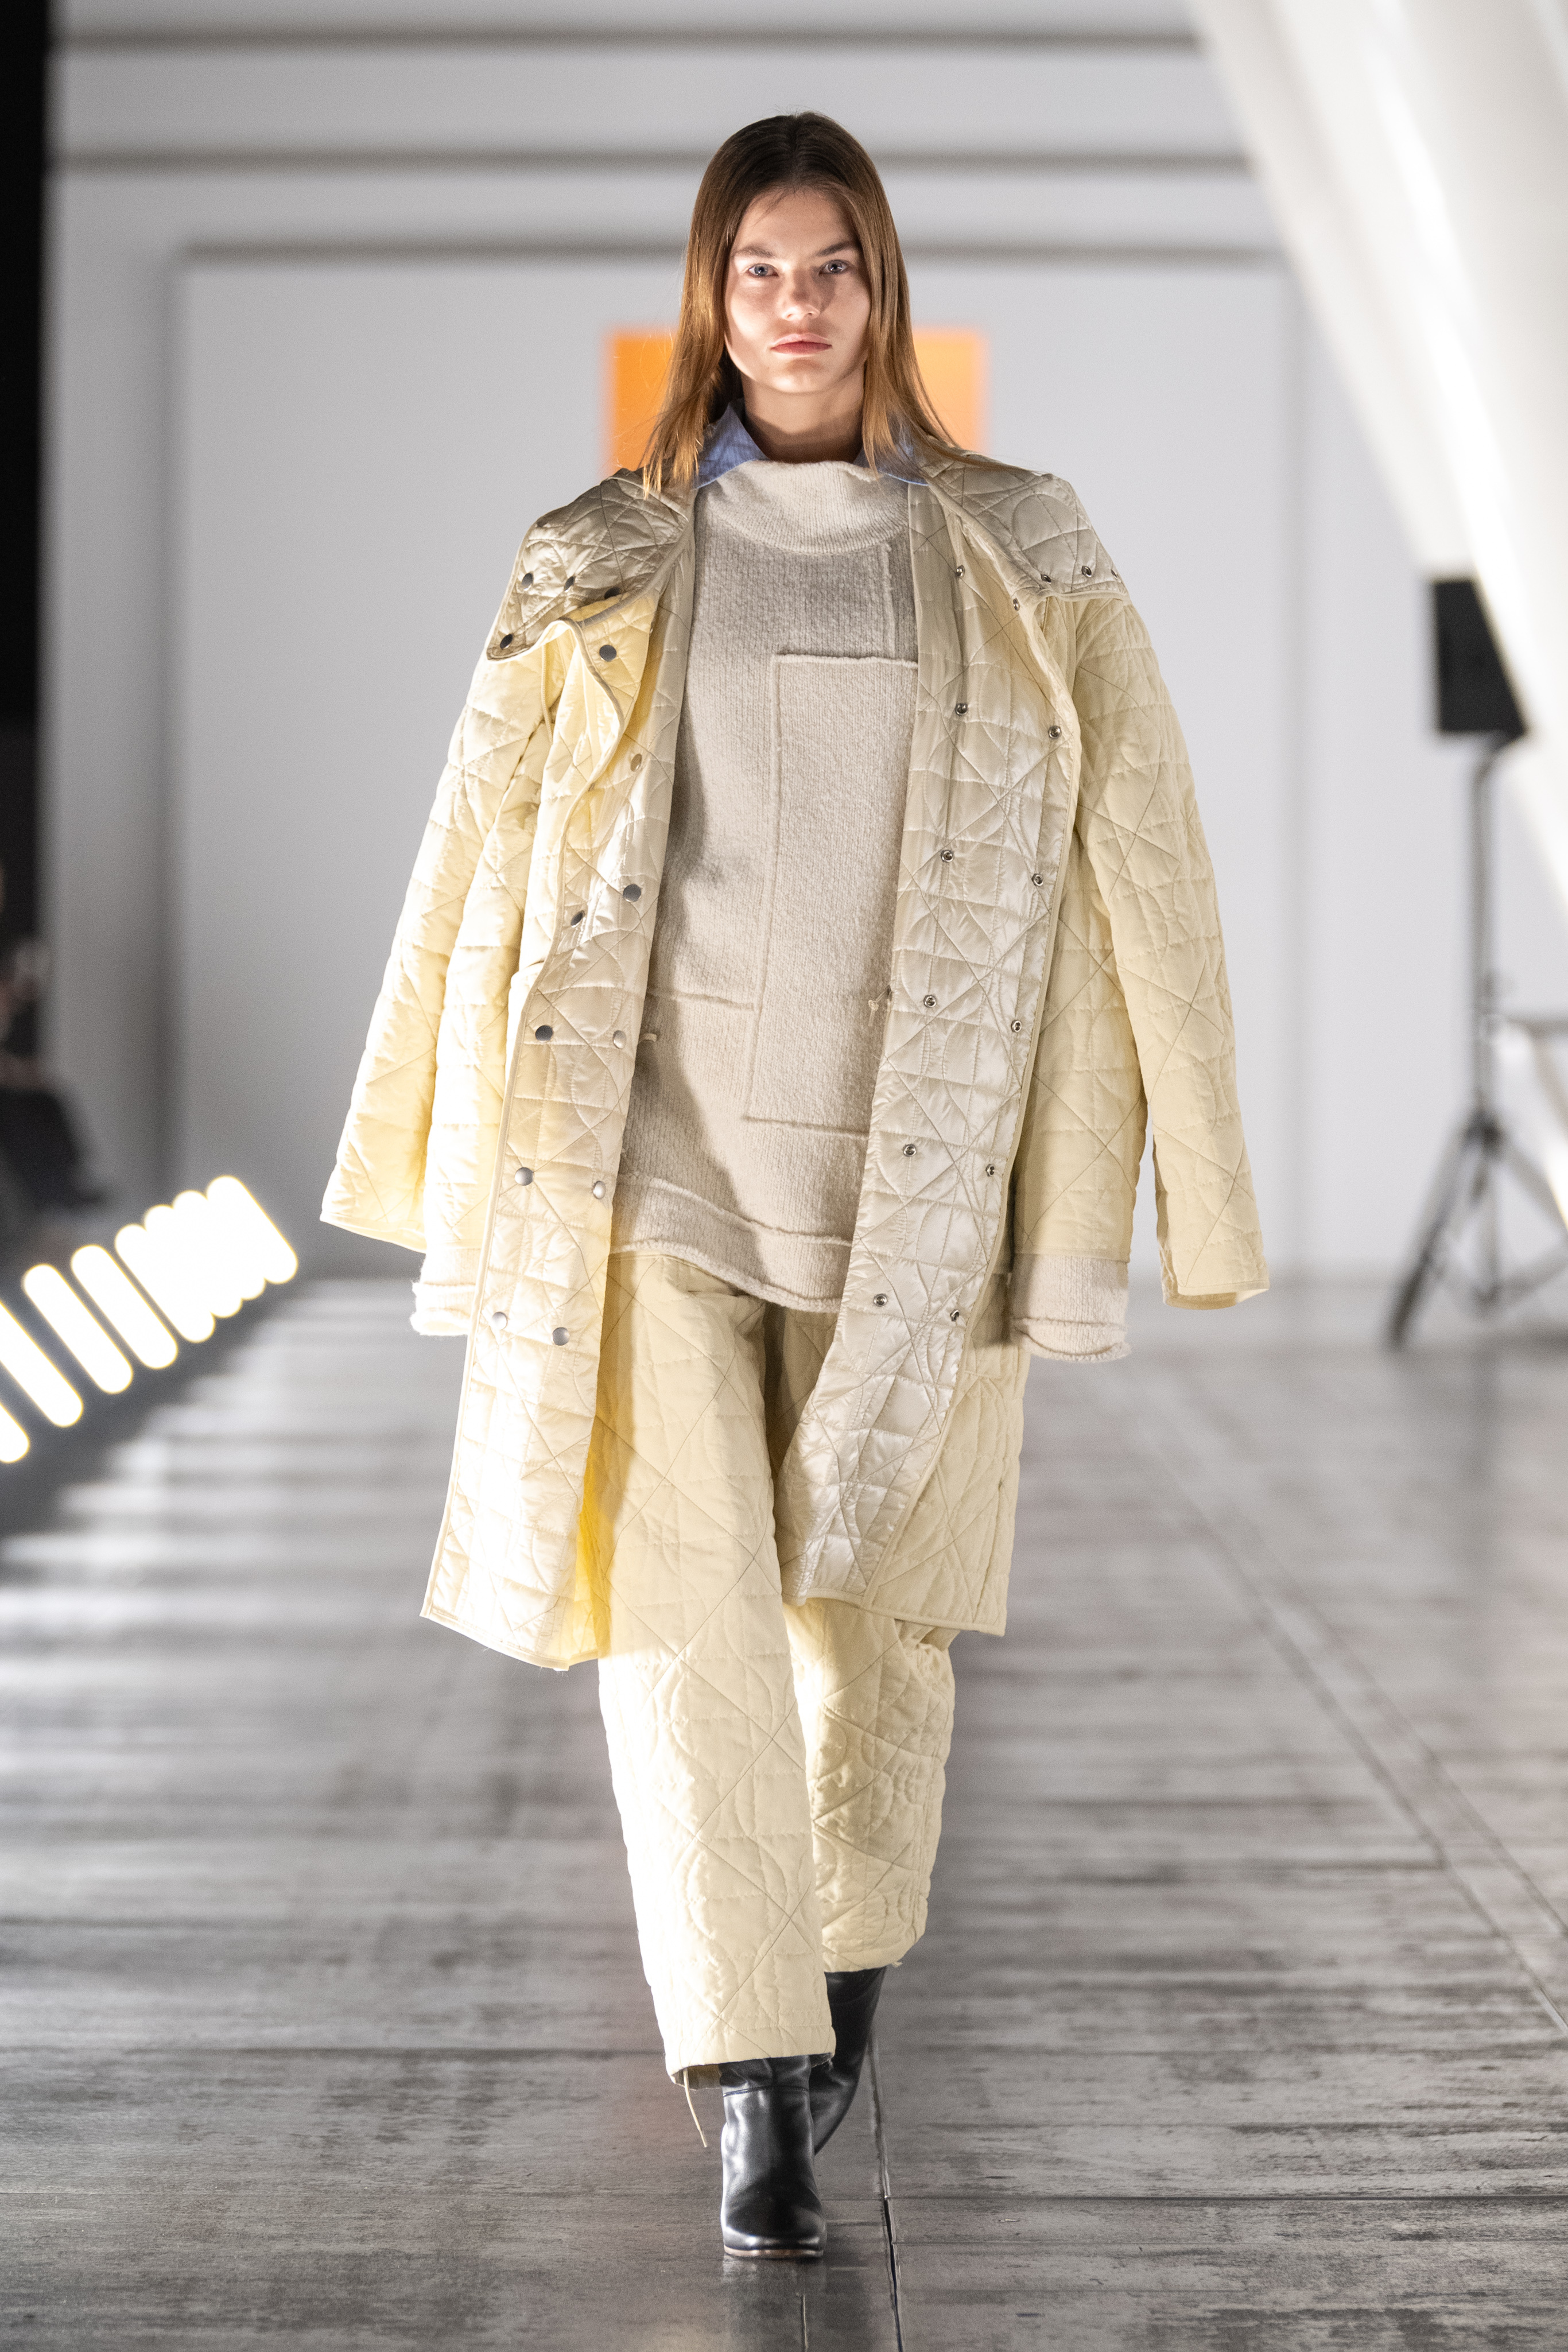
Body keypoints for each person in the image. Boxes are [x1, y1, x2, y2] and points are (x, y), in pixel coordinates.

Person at [324, 111, 1267, 2260]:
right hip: (649, 1172)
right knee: (684, 1630)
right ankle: (750, 2082)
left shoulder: (1024, 552)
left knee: (874, 1648)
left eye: (831, 263)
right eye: (757, 268)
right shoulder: (599, 555)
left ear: (881, 286)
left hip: (922, 1197)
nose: (796, 303)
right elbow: (475, 859)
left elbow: (1148, 870)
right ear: (710, 295)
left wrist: (1176, 1195)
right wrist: (431, 1154)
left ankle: (835, 1980)